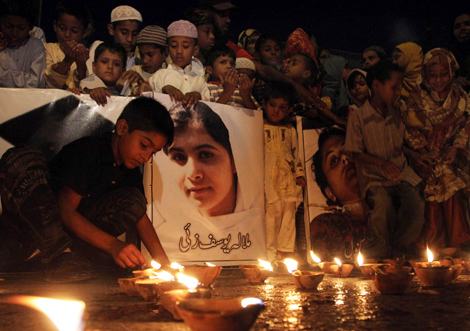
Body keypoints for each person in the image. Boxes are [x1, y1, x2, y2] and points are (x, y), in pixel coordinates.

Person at [0, 97, 173, 279]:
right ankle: (58, 254)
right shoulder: (89, 151)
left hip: (71, 254)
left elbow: (141, 218)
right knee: (23, 158)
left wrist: (166, 266)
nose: (146, 156)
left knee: (134, 199)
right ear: (122, 128)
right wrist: (113, 245)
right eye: (144, 145)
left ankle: (64, 258)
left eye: (153, 153)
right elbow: (66, 212)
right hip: (26, 239)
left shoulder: (129, 170)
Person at [345, 60, 424, 260]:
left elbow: (400, 145)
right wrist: (381, 163)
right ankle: (380, 246)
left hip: (400, 170)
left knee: (416, 201)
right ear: (377, 86)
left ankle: (402, 244)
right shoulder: (359, 117)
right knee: (382, 204)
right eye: (394, 87)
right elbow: (354, 152)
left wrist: (417, 156)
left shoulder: (397, 112)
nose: (398, 92)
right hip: (374, 175)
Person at [404, 48, 470, 252]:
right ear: (425, 75)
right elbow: (410, 130)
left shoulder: (460, 97)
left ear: (451, 73)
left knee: (447, 174)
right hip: (422, 155)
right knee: (439, 175)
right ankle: (446, 241)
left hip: (454, 154)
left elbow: (465, 127)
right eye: (432, 75)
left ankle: (444, 242)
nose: (438, 80)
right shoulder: (416, 98)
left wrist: (455, 149)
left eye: (443, 74)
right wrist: (424, 151)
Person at [164, 102, 237, 217]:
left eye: (205, 155)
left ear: (234, 160)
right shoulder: (165, 226)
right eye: (179, 157)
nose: (193, 174)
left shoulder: (266, 220)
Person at [310, 127, 369, 261]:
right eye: (334, 161)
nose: (345, 158)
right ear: (330, 192)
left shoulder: (395, 208)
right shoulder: (326, 226)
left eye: (348, 151)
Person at [263, 81, 306, 262]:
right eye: (272, 105)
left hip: (288, 180)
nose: (276, 111)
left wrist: (300, 174)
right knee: (271, 217)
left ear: (289, 110)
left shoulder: (290, 130)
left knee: (288, 214)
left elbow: (296, 154)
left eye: (282, 107)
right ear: (265, 104)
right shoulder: (259, 126)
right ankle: (268, 254)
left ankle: (285, 252)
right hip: (268, 178)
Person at [148, 20, 210, 105]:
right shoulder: (159, 76)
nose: (179, 51)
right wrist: (163, 90)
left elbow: (210, 107)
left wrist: (199, 96)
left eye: (185, 46)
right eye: (174, 46)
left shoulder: (199, 80)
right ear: (168, 49)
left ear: (195, 50)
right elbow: (148, 102)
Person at [44, 1, 91, 90]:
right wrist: (67, 61)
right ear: (55, 26)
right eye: (62, 28)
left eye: (74, 31)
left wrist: (81, 65)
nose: (67, 34)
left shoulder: (89, 55)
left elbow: (89, 88)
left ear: (84, 33)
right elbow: (49, 84)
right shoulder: (46, 49)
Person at [0, 0, 45, 88]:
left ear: (30, 27)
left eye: (21, 28)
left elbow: (34, 83)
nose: (14, 33)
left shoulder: (35, 46)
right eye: (8, 26)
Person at [86, 5, 142, 74]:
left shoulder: (137, 60)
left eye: (135, 34)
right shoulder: (99, 48)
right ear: (111, 29)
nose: (130, 39)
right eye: (124, 33)